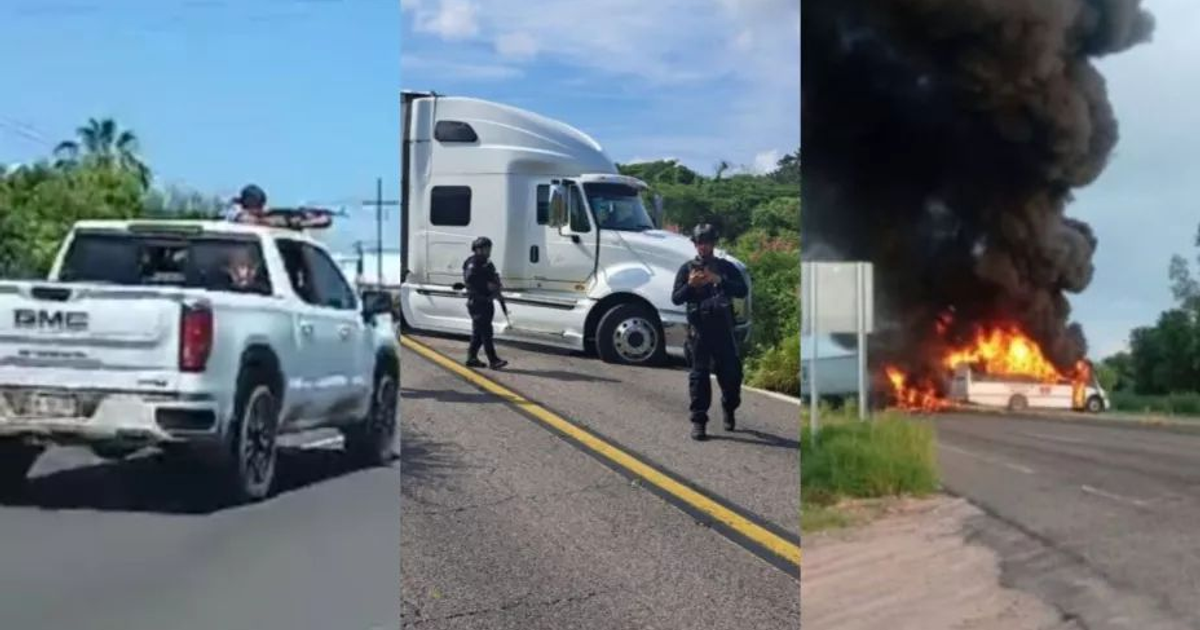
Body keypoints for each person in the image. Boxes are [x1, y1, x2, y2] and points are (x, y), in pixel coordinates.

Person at [671, 223, 749, 441]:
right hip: (699, 332)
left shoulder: (725, 267)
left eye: (705, 243)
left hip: (723, 330)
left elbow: (742, 290)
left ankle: (729, 407)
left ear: (713, 244)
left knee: (732, 377)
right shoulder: (687, 269)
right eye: (698, 243)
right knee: (699, 378)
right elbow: (676, 298)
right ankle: (699, 422)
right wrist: (691, 286)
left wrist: (719, 280)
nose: (702, 247)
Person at [462, 237, 509, 369]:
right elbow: (471, 280)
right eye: (486, 248)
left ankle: (471, 358)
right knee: (486, 332)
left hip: (487, 301)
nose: (489, 251)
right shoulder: (473, 263)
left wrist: (496, 288)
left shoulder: (486, 262)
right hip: (478, 302)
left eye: (489, 248)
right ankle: (493, 360)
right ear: (478, 249)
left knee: (478, 332)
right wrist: (487, 286)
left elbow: (493, 277)